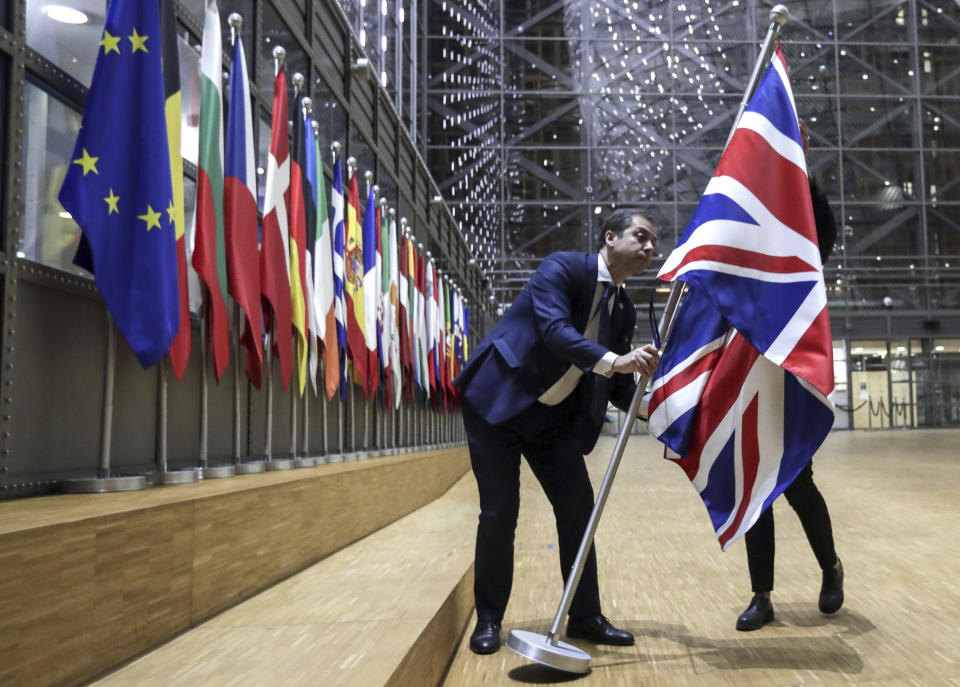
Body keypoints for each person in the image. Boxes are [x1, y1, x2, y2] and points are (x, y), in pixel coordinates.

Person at [454, 209, 660, 654]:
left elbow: (619, 386)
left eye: (653, 243)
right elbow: (553, 331)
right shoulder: (562, 268)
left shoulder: (621, 309)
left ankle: (585, 617)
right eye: (641, 236)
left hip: (552, 420)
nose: (649, 248)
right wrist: (614, 360)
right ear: (610, 238)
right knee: (499, 512)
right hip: (498, 404)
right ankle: (488, 620)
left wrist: (659, 410)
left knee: (578, 510)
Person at [736, 121, 844, 631]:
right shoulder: (745, 211)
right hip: (749, 360)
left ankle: (831, 568)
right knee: (756, 491)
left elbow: (824, 236)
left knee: (799, 485)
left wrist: (797, 172)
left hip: (791, 356)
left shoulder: (804, 227)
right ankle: (762, 596)